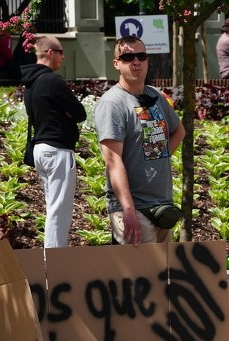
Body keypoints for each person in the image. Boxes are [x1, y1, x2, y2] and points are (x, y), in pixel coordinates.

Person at [94, 35, 186, 245]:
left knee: (163, 275)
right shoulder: (112, 104)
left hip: (162, 204)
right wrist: (128, 210)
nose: (136, 62)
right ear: (117, 64)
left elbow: (179, 131)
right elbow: (113, 161)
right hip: (133, 209)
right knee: (140, 276)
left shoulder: (154, 96)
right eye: (128, 57)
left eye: (141, 56)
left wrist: (159, 158)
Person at [21, 35, 87, 248]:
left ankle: (52, 258)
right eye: (60, 52)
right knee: (60, 209)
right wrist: (66, 113)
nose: (63, 57)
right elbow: (79, 113)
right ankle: (54, 261)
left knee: (53, 207)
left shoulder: (30, 83)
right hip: (57, 150)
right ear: (50, 52)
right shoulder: (52, 80)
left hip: (40, 149)